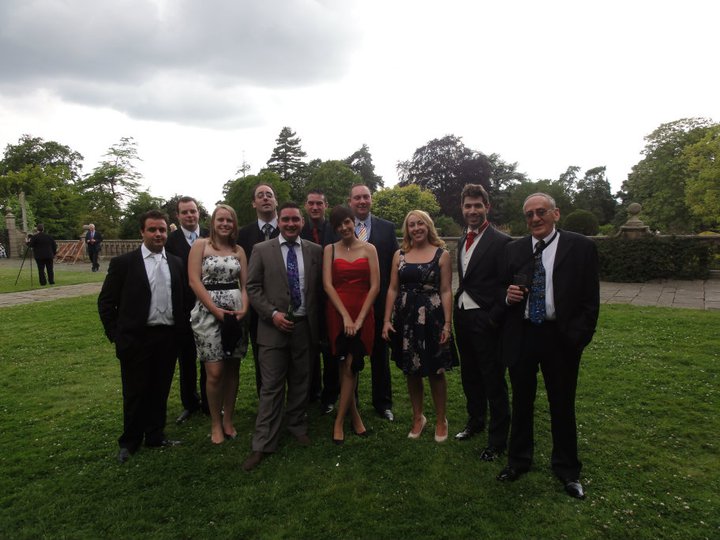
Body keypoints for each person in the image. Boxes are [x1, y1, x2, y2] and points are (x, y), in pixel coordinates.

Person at [496, 193, 599, 500]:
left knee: (562, 403)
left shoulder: (580, 247)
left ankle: (567, 469)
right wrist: (507, 297)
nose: (535, 218)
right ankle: (518, 461)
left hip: (561, 338)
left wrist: (578, 338)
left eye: (541, 212)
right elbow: (499, 288)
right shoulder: (513, 249)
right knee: (522, 401)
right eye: (529, 214)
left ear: (556, 214)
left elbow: (590, 299)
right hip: (523, 334)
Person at [97, 210, 188, 464]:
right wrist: (116, 335)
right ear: (142, 232)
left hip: (167, 337)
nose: (158, 234)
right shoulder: (124, 263)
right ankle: (130, 441)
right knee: (135, 392)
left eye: (162, 230)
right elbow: (106, 302)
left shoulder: (176, 263)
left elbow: (182, 300)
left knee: (160, 389)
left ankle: (155, 435)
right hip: (136, 339)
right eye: (152, 229)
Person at [242, 202, 323, 471]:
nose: (290, 224)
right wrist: (273, 314)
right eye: (285, 219)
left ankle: (297, 425)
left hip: (304, 328)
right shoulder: (261, 250)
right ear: (278, 222)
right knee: (271, 387)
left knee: (301, 381)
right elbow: (252, 287)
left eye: (295, 220)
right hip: (272, 329)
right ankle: (262, 442)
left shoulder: (315, 250)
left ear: (302, 222)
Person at [382, 210, 455, 442]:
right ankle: (418, 417)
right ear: (407, 229)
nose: (416, 228)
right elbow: (393, 288)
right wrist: (386, 320)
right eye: (411, 225)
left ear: (428, 226)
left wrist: (447, 324)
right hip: (406, 318)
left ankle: (441, 420)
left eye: (420, 223)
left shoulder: (442, 254)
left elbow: (446, 290)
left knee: (435, 370)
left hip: (432, 319)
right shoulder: (400, 255)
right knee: (411, 370)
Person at [454, 183, 512, 462]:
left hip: (487, 319)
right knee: (470, 374)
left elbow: (505, 285)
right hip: (463, 316)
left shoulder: (501, 242)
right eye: (468, 206)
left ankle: (497, 440)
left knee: (493, 379)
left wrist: (493, 317)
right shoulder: (461, 239)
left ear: (487, 207)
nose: (473, 210)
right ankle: (475, 421)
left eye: (478, 205)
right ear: (462, 208)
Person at [188, 204, 249, 445]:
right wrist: (216, 311)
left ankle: (228, 420)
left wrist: (243, 310)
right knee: (214, 372)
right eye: (220, 220)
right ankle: (215, 421)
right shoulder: (200, 246)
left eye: (229, 220)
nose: (225, 224)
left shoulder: (239, 250)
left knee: (232, 369)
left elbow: (245, 285)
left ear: (234, 224)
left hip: (236, 315)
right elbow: (194, 281)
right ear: (213, 222)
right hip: (208, 313)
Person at [323, 205, 380, 444]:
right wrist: (345, 317)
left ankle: (339, 420)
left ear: (353, 222)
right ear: (335, 228)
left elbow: (375, 286)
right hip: (338, 313)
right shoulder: (330, 250)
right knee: (343, 363)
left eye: (347, 222)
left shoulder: (369, 249)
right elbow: (327, 285)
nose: (344, 228)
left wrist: (359, 318)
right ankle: (353, 417)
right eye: (339, 225)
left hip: (363, 312)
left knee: (351, 364)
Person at [348, 184, 398, 421]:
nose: (362, 201)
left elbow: (394, 265)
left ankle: (383, 403)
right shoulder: (342, 227)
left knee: (380, 356)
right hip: (351, 303)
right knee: (351, 355)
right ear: (350, 202)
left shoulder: (386, 228)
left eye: (366, 197)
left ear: (371, 200)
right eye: (357, 197)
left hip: (379, 304)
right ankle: (351, 401)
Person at [165, 196, 210, 423]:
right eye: (185, 212)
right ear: (178, 215)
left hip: (210, 305)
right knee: (186, 358)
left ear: (198, 212)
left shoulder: (211, 236)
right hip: (183, 307)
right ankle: (190, 402)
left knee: (209, 357)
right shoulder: (170, 241)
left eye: (193, 211)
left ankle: (210, 402)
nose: (190, 215)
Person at [237, 184, 280, 395]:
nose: (265, 198)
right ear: (254, 203)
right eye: (260, 195)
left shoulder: (290, 226)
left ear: (276, 201)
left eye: (269, 195)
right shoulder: (243, 235)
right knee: (261, 355)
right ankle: (265, 398)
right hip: (256, 308)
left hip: (286, 303)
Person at [301, 189, 339, 414]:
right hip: (306, 298)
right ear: (306, 206)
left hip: (332, 298)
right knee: (309, 349)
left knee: (332, 350)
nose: (315, 207)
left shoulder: (335, 230)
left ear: (326, 205)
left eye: (319, 203)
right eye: (311, 203)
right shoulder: (298, 229)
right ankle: (312, 392)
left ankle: (330, 395)